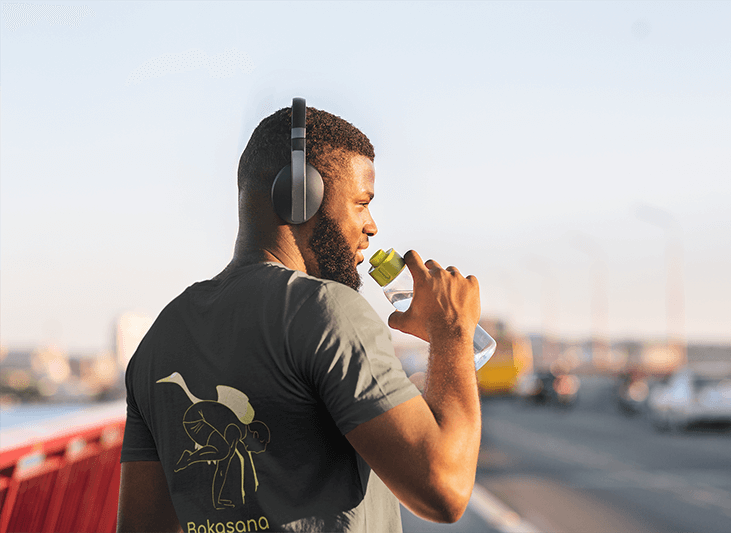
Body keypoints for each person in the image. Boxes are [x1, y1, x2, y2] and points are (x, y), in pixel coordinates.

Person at [117, 103, 483, 533]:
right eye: (361, 203)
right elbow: (445, 489)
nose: (372, 226)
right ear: (299, 195)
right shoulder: (329, 310)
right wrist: (451, 332)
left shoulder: (161, 338)